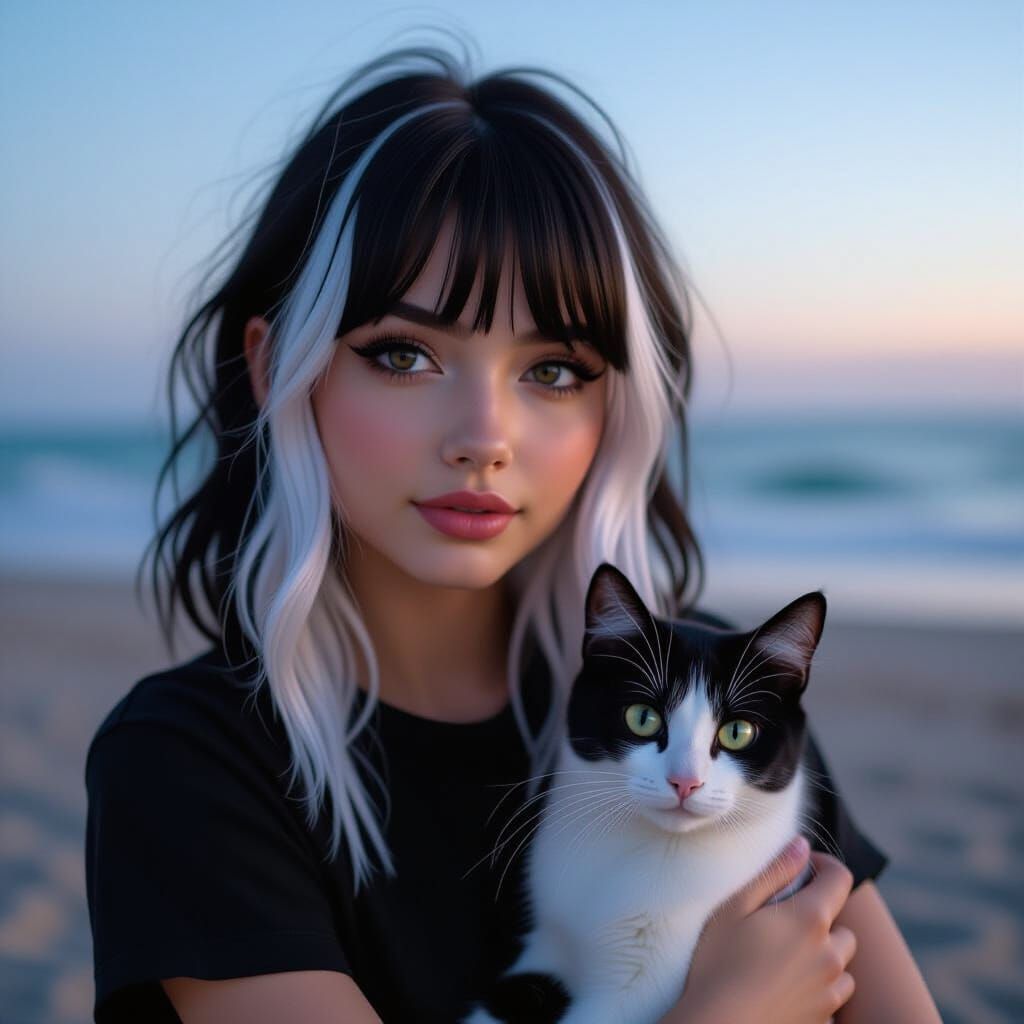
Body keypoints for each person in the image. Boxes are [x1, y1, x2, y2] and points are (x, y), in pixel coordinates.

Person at [84, 44, 940, 1024]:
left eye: (554, 369)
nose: (484, 438)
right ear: (282, 364)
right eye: (403, 354)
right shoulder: (190, 762)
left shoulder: (709, 697)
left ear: (617, 400)